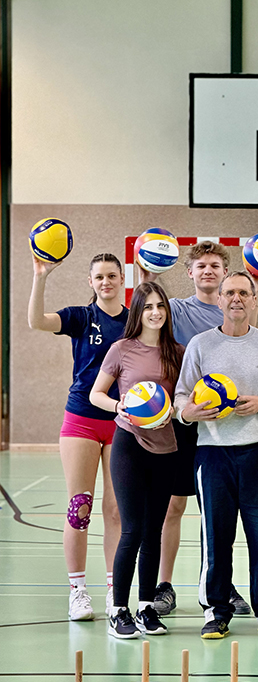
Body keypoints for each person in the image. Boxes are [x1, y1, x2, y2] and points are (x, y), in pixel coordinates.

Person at [174, 271, 258, 639]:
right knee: (216, 537)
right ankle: (216, 610)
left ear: (255, 300)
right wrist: (187, 412)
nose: (237, 298)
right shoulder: (199, 345)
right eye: (230, 293)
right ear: (220, 300)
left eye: (244, 292)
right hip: (212, 454)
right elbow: (181, 395)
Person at [140, 241, 251, 617]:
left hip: (223, 428)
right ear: (189, 272)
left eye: (216, 265)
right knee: (173, 506)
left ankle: (224, 585)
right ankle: (163, 585)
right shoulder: (173, 310)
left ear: (225, 273)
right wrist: (145, 277)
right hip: (183, 420)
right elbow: (145, 320)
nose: (208, 270)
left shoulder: (234, 310)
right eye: (201, 265)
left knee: (217, 511)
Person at [27, 251, 126, 621]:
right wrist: (41, 276)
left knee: (116, 510)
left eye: (112, 276)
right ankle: (78, 590)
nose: (106, 282)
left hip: (121, 422)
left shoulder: (134, 322)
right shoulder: (80, 317)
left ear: (121, 279)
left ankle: (116, 591)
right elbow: (37, 321)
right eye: (99, 276)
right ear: (90, 282)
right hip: (82, 420)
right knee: (79, 507)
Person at [90, 283, 184, 639]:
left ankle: (146, 608)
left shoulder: (177, 352)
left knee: (153, 531)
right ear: (138, 312)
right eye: (148, 307)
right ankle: (118, 610)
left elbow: (186, 395)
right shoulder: (122, 349)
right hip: (129, 443)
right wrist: (121, 405)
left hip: (166, 447)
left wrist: (179, 408)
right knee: (131, 529)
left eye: (161, 306)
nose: (156, 312)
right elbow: (96, 394)